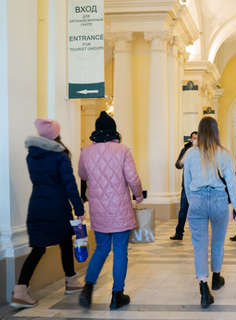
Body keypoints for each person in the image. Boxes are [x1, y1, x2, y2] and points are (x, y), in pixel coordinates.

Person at [10, 119, 85, 308]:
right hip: (57, 206)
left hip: (37, 205)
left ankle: (21, 289)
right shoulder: (60, 156)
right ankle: (71, 281)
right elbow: (69, 185)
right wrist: (79, 208)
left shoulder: (32, 155)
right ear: (56, 135)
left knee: (39, 248)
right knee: (65, 241)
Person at [78, 111, 144, 310]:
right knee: (120, 251)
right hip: (120, 209)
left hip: (98, 210)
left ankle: (88, 288)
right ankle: (117, 295)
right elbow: (132, 178)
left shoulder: (86, 152)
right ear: (113, 130)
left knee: (101, 248)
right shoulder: (122, 150)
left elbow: (82, 174)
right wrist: (139, 196)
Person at [183, 116, 236, 309]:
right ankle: (216, 277)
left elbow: (187, 183)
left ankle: (203, 287)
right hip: (218, 200)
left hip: (197, 199)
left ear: (199, 132)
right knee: (217, 242)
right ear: (216, 132)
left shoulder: (190, 154)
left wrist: (193, 203)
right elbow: (231, 182)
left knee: (199, 245)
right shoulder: (223, 153)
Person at [170, 131, 198, 240]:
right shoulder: (186, 150)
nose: (195, 140)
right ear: (191, 139)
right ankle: (179, 233)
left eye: (197, 138)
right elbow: (178, 165)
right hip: (186, 185)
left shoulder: (204, 150)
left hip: (199, 186)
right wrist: (183, 161)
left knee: (198, 211)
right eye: (194, 138)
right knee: (183, 210)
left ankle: (198, 233)